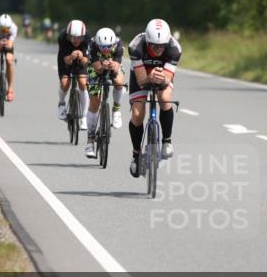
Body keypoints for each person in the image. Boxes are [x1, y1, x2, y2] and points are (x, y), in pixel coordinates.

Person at [127, 19, 181, 177]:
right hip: (141, 74)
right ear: (147, 41)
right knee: (137, 114)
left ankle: (166, 141)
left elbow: (167, 79)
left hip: (163, 74)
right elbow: (141, 81)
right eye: (154, 46)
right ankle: (136, 154)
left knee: (164, 98)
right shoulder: (135, 46)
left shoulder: (174, 49)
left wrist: (162, 79)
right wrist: (149, 77)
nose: (158, 50)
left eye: (161, 47)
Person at [83, 28, 126, 158]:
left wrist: (113, 66)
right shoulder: (92, 45)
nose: (106, 50)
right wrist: (103, 66)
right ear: (98, 44)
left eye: (109, 47)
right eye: (103, 47)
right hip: (95, 68)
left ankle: (116, 110)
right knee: (95, 102)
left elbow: (117, 66)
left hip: (113, 65)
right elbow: (98, 69)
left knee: (119, 82)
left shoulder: (119, 46)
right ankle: (90, 141)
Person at [57, 20, 91, 126]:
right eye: (72, 37)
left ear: (83, 36)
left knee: (82, 82)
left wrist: (81, 56)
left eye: (79, 38)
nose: (75, 40)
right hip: (67, 56)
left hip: (82, 56)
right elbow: (66, 60)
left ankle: (85, 116)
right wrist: (72, 56)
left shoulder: (88, 39)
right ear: (68, 35)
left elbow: (87, 61)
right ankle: (62, 103)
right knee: (65, 83)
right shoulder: (63, 38)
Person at [0, 13, 18, 102]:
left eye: (7, 29)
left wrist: (7, 44)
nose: (5, 31)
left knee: (9, 60)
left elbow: (10, 45)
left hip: (7, 43)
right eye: (2, 29)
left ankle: (10, 89)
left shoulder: (14, 28)